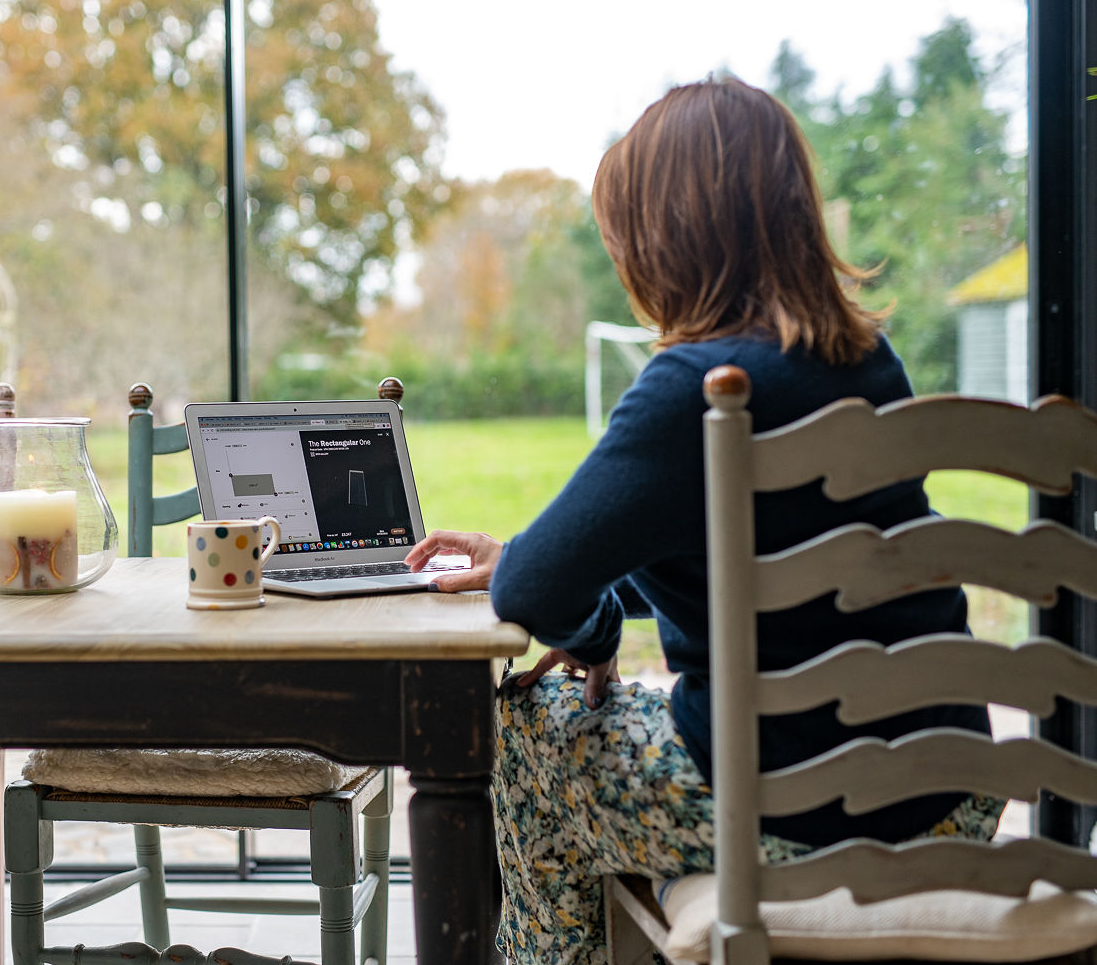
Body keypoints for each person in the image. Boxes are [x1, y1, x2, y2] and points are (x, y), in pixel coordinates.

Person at [404, 76, 1002, 965]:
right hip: (955, 785)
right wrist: (549, 560)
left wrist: (596, 626)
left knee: (534, 735)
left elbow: (535, 590)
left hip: (796, 807)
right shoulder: (868, 361)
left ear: (667, 239)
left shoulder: (692, 389)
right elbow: (772, 566)